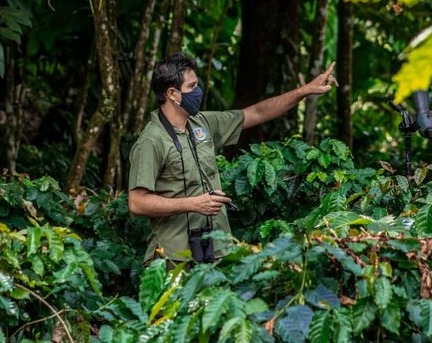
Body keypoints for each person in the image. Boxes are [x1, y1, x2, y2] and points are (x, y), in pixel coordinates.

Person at [128, 53, 338, 266]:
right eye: (192, 87)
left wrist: (305, 91)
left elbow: (256, 112)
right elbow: (136, 202)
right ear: (173, 94)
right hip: (172, 259)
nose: (198, 92)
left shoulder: (201, 123)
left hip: (215, 252)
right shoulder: (152, 140)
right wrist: (192, 204)